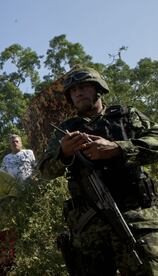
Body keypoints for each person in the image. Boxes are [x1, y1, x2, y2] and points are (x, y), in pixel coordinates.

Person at [38, 66, 158, 275]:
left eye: (83, 87)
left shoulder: (126, 116)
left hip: (137, 220)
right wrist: (64, 153)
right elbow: (45, 170)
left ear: (98, 89)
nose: (78, 93)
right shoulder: (66, 131)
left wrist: (119, 149)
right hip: (90, 232)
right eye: (73, 91)